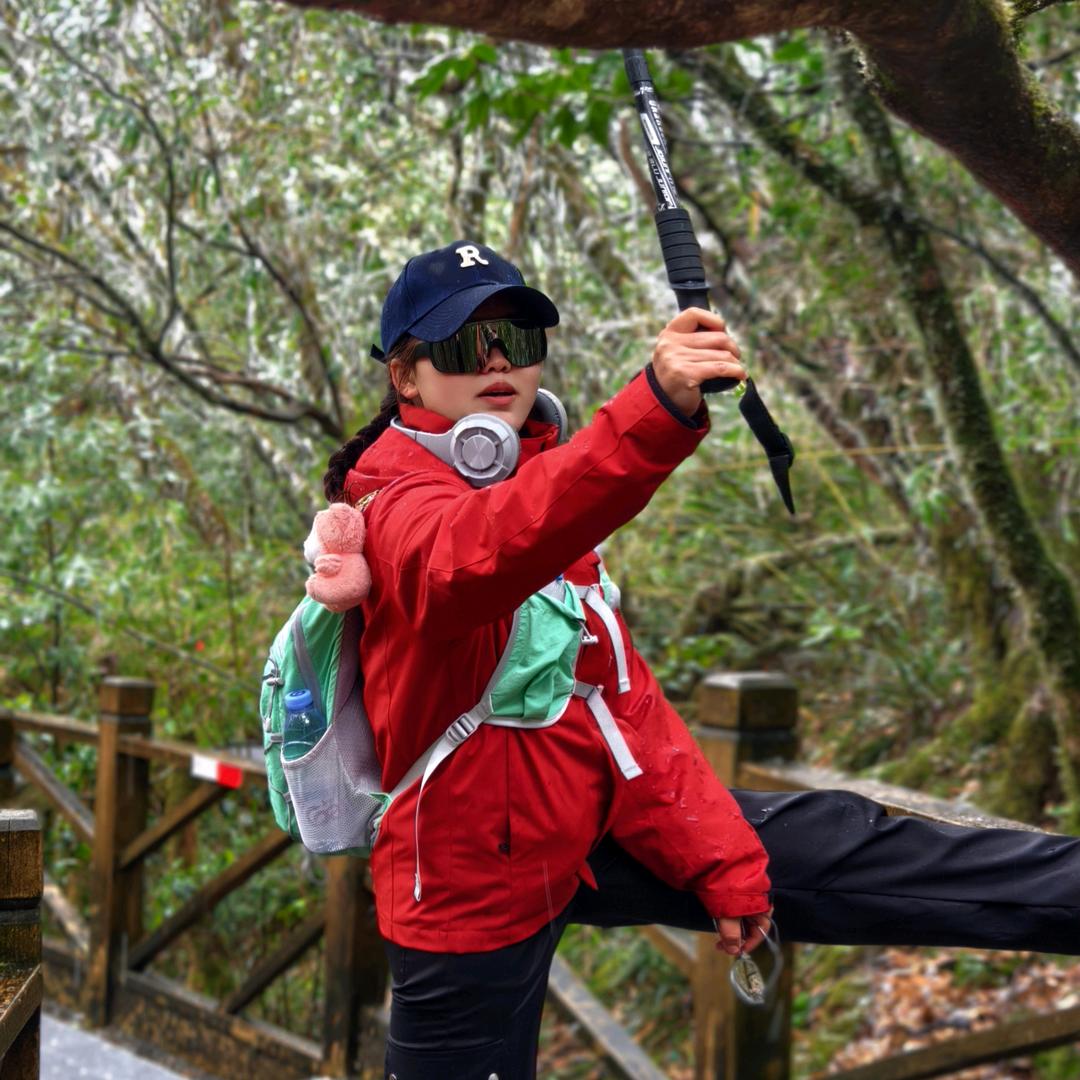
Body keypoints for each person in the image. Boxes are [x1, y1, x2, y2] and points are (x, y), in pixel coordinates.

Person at [322, 240, 1080, 1079]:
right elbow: (477, 556)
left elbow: (619, 700)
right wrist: (651, 405)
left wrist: (722, 862)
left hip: (582, 818)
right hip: (464, 881)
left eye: (520, 341)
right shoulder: (393, 502)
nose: (499, 362)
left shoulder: (542, 487)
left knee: (848, 841)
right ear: (407, 377)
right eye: (467, 346)